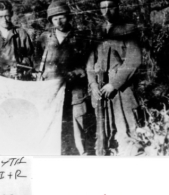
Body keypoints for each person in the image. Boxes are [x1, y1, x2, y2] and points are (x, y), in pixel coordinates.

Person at [86, 0, 142, 156]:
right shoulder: (98, 31)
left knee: (127, 135)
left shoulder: (128, 29)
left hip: (122, 91)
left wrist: (114, 84)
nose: (106, 11)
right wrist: (93, 84)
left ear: (117, 8)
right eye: (102, 8)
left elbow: (134, 59)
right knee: (105, 135)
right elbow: (90, 61)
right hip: (100, 90)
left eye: (110, 7)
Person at [35, 1, 90, 155]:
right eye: (55, 19)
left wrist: (76, 73)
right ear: (50, 21)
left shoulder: (81, 37)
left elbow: (89, 65)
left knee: (78, 130)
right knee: (54, 131)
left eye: (62, 17)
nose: (59, 22)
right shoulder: (44, 38)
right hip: (52, 95)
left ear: (68, 16)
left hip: (75, 93)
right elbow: (38, 63)